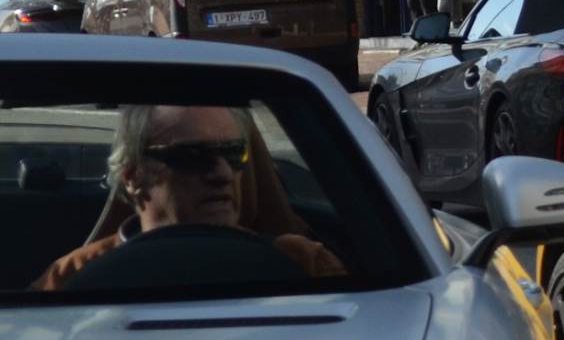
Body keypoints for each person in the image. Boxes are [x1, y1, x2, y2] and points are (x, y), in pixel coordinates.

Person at [34, 105, 346, 291]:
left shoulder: (306, 262)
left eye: (234, 153)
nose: (223, 173)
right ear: (133, 177)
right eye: (193, 155)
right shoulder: (67, 278)